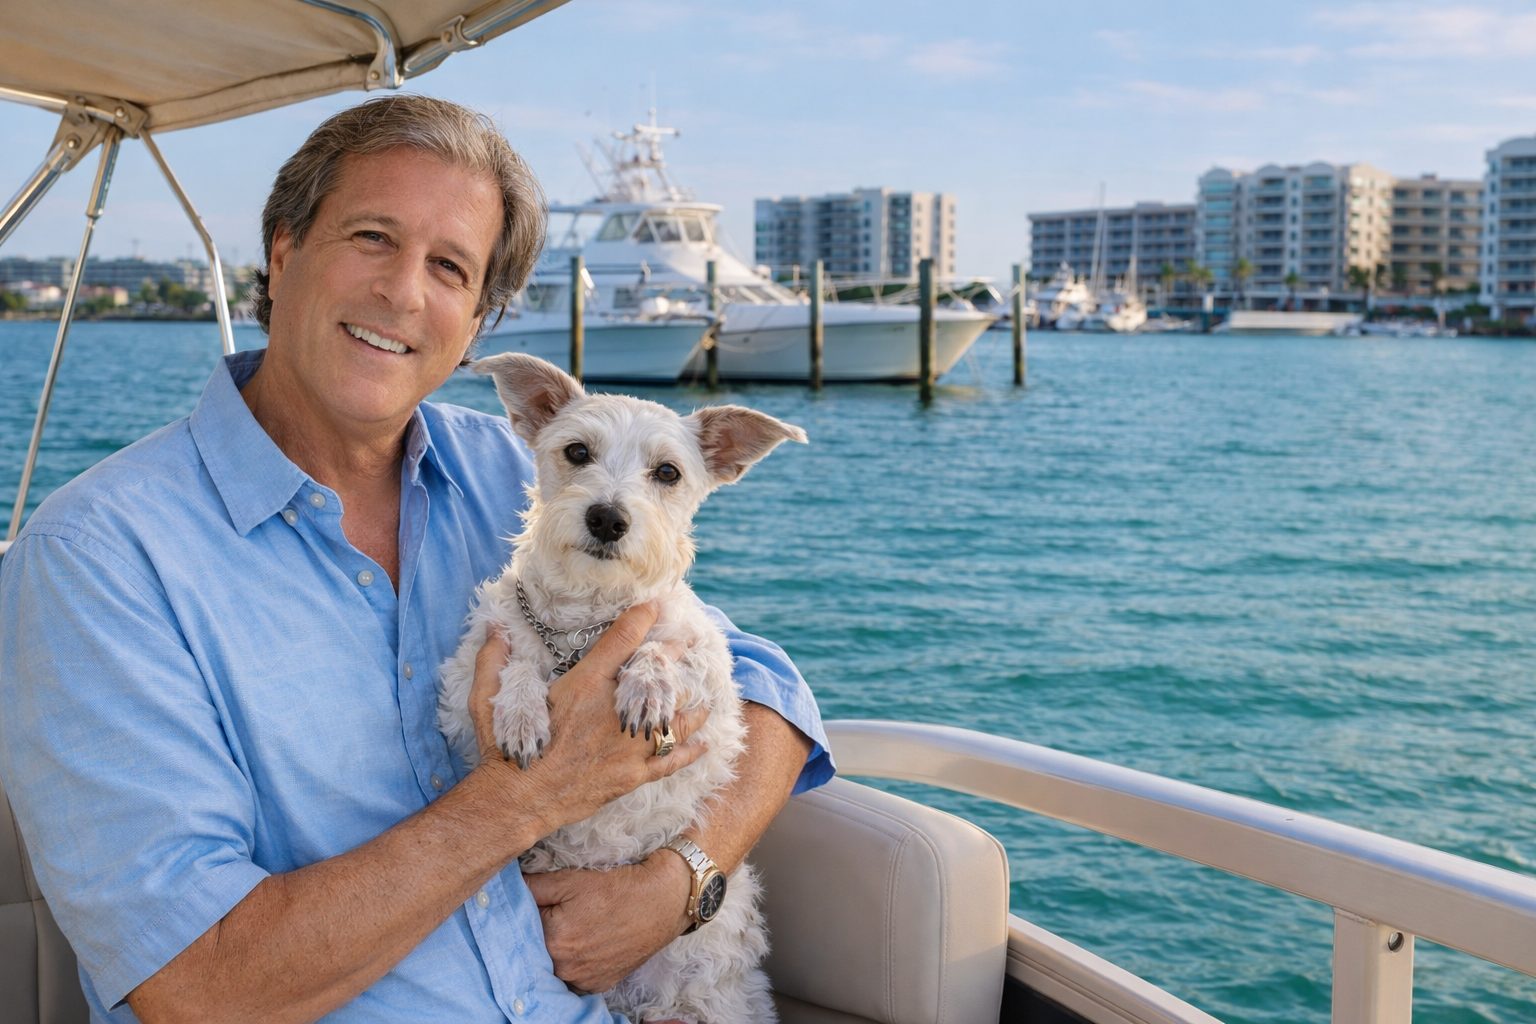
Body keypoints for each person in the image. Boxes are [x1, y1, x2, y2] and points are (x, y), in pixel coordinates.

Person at [0, 95, 831, 1022]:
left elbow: (766, 687)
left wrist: (682, 880)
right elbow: (195, 985)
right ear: (281, 254)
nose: (403, 293)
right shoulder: (95, 560)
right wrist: (532, 795)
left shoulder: (527, 473)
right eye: (371, 237)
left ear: (476, 319)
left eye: (449, 267)